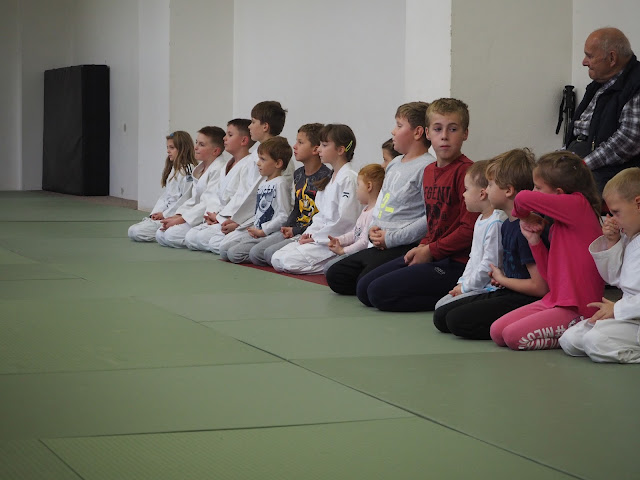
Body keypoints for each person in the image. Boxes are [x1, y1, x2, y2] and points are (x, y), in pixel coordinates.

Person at [354, 98, 478, 311]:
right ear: (428, 133)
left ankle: (454, 296)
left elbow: (469, 229)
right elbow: (433, 220)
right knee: (364, 288)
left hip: (455, 262)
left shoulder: (467, 173)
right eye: (437, 129)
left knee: (378, 293)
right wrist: (423, 246)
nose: (444, 136)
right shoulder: (429, 171)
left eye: (453, 129)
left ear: (465, 133)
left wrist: (431, 250)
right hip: (431, 251)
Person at [489, 151, 604, 350]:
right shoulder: (558, 224)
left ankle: (577, 332)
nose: (533, 191)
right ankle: (569, 332)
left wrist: (523, 215)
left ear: (559, 193)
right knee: (497, 332)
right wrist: (534, 241)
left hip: (578, 307)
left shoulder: (578, 205)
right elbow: (549, 277)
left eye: (538, 187)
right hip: (554, 300)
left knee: (513, 337)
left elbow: (522, 198)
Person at [431, 149, 547, 339]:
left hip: (523, 297)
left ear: (508, 190)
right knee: (442, 316)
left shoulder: (524, 229)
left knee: (454, 320)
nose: (487, 189)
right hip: (506, 289)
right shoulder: (507, 224)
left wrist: (502, 280)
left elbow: (540, 287)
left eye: (491, 184)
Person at [325, 102, 435, 295]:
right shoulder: (394, 164)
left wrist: (390, 238)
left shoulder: (428, 167)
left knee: (365, 284)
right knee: (335, 274)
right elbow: (382, 203)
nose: (393, 131)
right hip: (379, 242)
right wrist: (373, 228)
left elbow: (429, 219)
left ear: (418, 132)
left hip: (402, 244)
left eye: (399, 126)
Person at [560, 168, 640, 363]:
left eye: (616, 212)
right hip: (629, 315)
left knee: (595, 341)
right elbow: (613, 278)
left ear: (638, 203)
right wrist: (612, 241)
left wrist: (618, 309)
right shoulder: (630, 238)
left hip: (631, 313)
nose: (612, 220)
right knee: (570, 340)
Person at [270, 124, 362, 274]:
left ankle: (333, 264)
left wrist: (317, 238)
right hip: (320, 236)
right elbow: (320, 216)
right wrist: (309, 234)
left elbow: (345, 221)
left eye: (324, 145)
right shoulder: (330, 178)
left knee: (287, 261)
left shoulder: (349, 179)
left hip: (334, 240)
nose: (319, 149)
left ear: (340, 150)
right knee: (276, 258)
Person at [207, 101, 290, 254]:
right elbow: (242, 192)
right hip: (243, 218)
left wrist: (237, 222)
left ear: (265, 126)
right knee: (214, 243)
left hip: (260, 221)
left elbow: (254, 198)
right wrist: (223, 217)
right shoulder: (255, 156)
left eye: (253, 122)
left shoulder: (277, 156)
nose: (250, 126)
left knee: (220, 245)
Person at [566, 27, 640, 192]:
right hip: (581, 160)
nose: (584, 62)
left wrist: (582, 165)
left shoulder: (636, 84)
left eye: (590, 56)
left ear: (612, 58)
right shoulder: (599, 84)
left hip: (608, 173)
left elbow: (628, 140)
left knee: (550, 199)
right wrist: (559, 157)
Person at [248, 123, 332, 266]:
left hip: (308, 231)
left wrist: (297, 230)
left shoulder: (326, 176)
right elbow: (297, 208)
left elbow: (322, 216)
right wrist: (287, 227)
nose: (294, 146)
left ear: (315, 149)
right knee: (256, 253)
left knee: (267, 254)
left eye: (300, 142)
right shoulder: (298, 174)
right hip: (294, 228)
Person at [432, 160, 507, 313]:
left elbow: (490, 265)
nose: (463, 194)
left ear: (482, 194)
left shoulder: (496, 223)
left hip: (489, 288)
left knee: (443, 311)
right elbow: (473, 257)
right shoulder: (480, 219)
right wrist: (462, 283)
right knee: (440, 306)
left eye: (466, 189)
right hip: (475, 285)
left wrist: (466, 288)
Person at [184, 119, 255, 251]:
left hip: (232, 219)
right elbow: (216, 197)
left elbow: (242, 199)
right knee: (191, 237)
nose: (224, 138)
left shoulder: (249, 164)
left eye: (230, 135)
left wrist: (221, 218)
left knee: (204, 239)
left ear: (243, 141)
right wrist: (214, 215)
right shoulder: (228, 165)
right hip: (219, 216)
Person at [220, 137, 293, 263]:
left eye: (263, 159)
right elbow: (259, 213)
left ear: (278, 163)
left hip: (270, 234)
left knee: (234, 254)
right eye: (259, 159)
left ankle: (264, 254)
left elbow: (283, 216)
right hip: (257, 232)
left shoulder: (280, 183)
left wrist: (264, 231)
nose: (258, 163)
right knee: (224, 250)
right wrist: (253, 229)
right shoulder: (263, 183)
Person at [155, 126, 227, 248]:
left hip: (207, 216)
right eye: (196, 142)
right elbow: (193, 200)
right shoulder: (200, 169)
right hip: (195, 216)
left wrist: (181, 219)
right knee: (160, 234)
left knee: (171, 235)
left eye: (201, 144)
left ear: (215, 151)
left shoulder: (219, 169)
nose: (195, 147)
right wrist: (177, 215)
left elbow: (206, 203)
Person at [128, 131, 197, 242]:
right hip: (166, 214)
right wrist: (156, 213)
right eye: (167, 147)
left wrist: (165, 214)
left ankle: (169, 230)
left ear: (183, 149)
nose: (168, 151)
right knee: (133, 231)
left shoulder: (188, 170)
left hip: (176, 216)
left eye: (172, 148)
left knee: (136, 232)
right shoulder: (174, 169)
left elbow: (185, 199)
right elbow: (165, 197)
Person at [323, 164, 385, 273]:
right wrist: (339, 240)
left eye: (358, 185)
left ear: (369, 187)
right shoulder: (365, 209)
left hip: (362, 255)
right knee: (328, 267)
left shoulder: (374, 212)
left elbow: (364, 242)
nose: (356, 190)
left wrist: (343, 251)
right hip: (354, 253)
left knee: (329, 268)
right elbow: (355, 233)